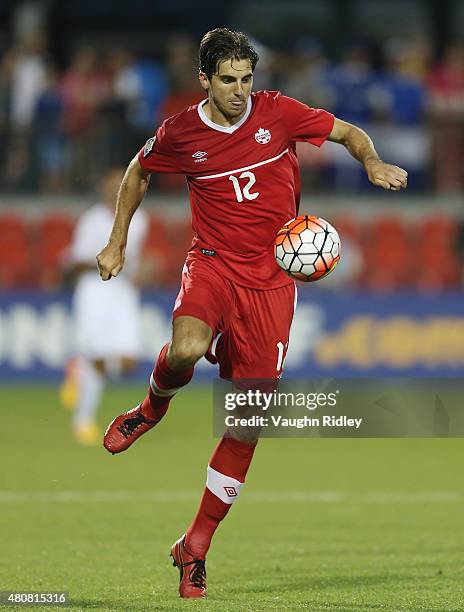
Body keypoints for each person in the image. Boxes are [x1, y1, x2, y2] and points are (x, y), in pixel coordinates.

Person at [97, 28, 407, 598]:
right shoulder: (180, 132)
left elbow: (348, 132)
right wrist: (118, 241)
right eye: (228, 81)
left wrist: (371, 161)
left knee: (246, 421)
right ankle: (151, 407)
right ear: (205, 81)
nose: (240, 92)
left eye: (246, 79)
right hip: (213, 265)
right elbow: (138, 173)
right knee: (187, 347)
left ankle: (196, 544)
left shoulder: (280, 114)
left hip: (271, 284)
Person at [67, 166, 148, 445]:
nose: (118, 189)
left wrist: (140, 270)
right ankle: (83, 419)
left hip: (123, 292)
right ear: (104, 188)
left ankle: (79, 367)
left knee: (128, 362)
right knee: (99, 357)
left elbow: (136, 260)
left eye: (122, 184)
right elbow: (75, 262)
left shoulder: (142, 220)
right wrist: (104, 259)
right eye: (113, 184)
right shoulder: (92, 221)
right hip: (95, 289)